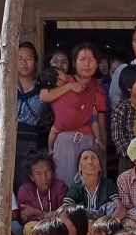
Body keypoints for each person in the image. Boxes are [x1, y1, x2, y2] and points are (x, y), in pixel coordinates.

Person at [41, 42, 107, 184]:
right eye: (82, 60)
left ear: (97, 63)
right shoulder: (63, 80)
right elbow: (44, 96)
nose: (87, 64)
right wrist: (71, 87)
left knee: (89, 187)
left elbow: (100, 123)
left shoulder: (98, 90)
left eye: (91, 59)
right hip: (65, 143)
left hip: (89, 142)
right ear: (74, 62)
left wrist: (102, 152)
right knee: (65, 186)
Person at [17, 154, 68, 235]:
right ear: (32, 177)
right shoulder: (25, 190)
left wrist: (38, 212)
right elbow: (25, 219)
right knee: (30, 228)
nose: (44, 177)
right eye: (38, 173)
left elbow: (64, 214)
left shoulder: (60, 187)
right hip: (39, 229)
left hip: (58, 228)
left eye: (47, 172)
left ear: (52, 173)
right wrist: (50, 214)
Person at [64, 148, 125, 221]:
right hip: (83, 227)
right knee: (72, 209)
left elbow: (121, 209)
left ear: (99, 166)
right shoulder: (76, 186)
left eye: (93, 158)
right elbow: (65, 208)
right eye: (85, 158)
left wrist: (106, 224)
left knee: (112, 206)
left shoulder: (108, 184)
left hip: (105, 226)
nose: (90, 162)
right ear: (79, 167)